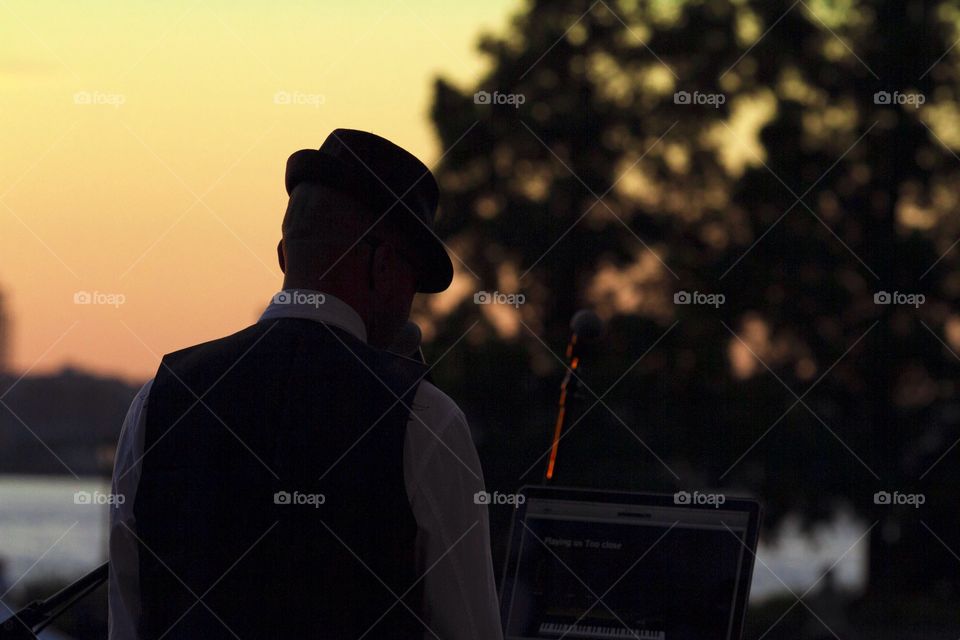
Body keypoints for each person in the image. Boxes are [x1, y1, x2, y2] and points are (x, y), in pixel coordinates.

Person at [108, 129, 503, 639]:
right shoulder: (424, 416)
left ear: (283, 255)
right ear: (383, 267)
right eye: (411, 279)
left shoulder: (159, 398)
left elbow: (127, 613)